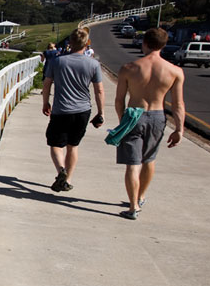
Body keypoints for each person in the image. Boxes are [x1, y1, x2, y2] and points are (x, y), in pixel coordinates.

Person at [113, 28, 185, 220]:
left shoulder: (129, 68)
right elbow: (178, 104)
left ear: (144, 43)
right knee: (149, 159)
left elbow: (119, 100)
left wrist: (122, 122)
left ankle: (133, 205)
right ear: (164, 45)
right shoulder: (175, 71)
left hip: (133, 114)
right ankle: (141, 196)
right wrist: (179, 128)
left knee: (132, 163)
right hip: (157, 115)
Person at [42, 28, 106, 192]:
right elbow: (99, 90)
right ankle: (67, 179)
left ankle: (60, 171)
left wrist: (46, 102)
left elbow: (47, 83)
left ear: (69, 43)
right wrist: (101, 113)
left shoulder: (58, 61)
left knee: (56, 144)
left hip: (61, 109)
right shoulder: (93, 64)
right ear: (87, 44)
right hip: (83, 110)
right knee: (73, 146)